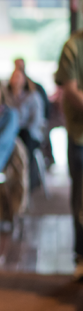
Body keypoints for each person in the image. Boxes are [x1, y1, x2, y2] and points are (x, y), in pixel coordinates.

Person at [55, 29, 83, 279]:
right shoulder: (73, 47)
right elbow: (71, 91)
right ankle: (81, 256)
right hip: (80, 136)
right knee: (81, 200)